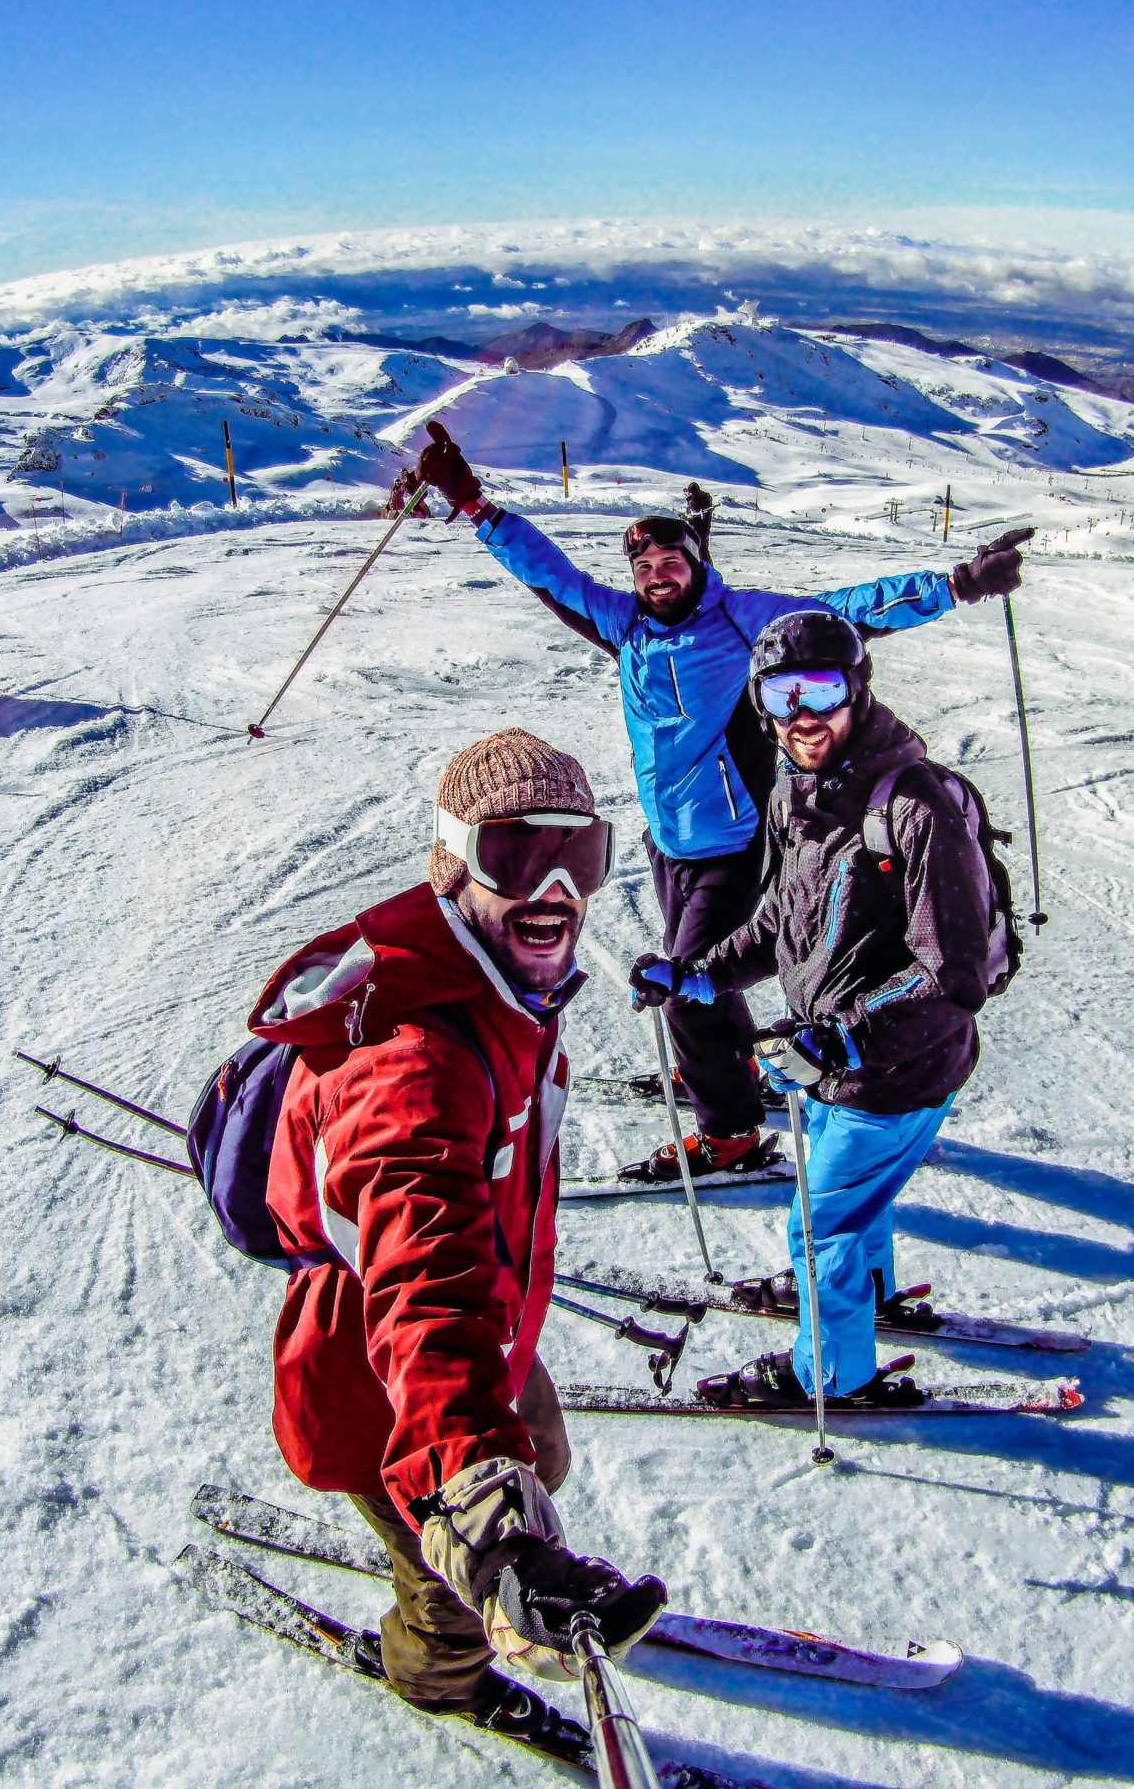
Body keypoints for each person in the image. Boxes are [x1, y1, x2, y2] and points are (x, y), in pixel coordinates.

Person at [402, 420, 1027, 1182]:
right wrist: (475, 506)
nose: (659, 576)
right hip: (671, 844)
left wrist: (956, 585)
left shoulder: (740, 621)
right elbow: (552, 575)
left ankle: (730, 1130)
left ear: (697, 563)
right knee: (699, 982)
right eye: (646, 566)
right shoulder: (626, 627)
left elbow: (845, 612)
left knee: (685, 988)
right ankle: (725, 1071)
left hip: (736, 841)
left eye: (672, 561)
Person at [246, 728, 666, 1746]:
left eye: (582, 854)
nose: (555, 887)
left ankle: (486, 1515)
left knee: (546, 1449)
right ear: (453, 864)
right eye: (515, 853)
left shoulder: (500, 987)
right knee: (451, 1597)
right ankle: (435, 1674)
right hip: (385, 1400)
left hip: (487, 1340)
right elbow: (422, 1283)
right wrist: (480, 1506)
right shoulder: (416, 1061)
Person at [631, 610, 997, 1408]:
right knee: (851, 1206)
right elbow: (780, 926)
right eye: (780, 692)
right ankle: (872, 1293)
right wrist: (693, 974)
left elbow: (955, 974)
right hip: (839, 1068)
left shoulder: (914, 806)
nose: (802, 713)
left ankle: (833, 1375)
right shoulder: (801, 792)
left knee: (816, 1226)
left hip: (893, 1073)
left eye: (821, 689)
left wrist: (846, 1044)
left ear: (856, 689)